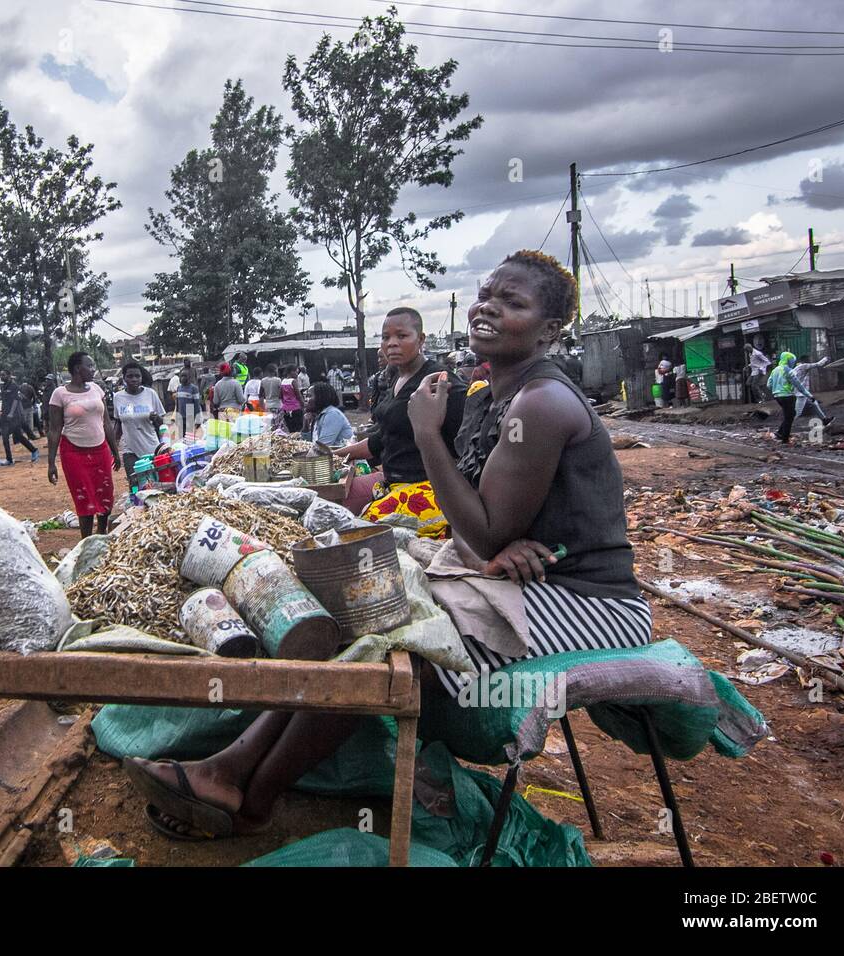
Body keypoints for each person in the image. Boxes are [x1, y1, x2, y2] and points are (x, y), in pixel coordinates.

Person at [120, 251, 650, 841]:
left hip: (591, 603)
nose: (489, 308)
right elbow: (476, 528)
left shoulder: (541, 404)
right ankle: (231, 769)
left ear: (552, 330)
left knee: (396, 640)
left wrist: (429, 439)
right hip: (516, 580)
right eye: (487, 294)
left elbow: (485, 528)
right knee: (364, 608)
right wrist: (488, 544)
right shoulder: (486, 396)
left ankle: (251, 796)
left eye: (514, 303)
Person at [335, 307, 466, 537]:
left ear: (421, 339)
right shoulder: (397, 377)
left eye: (402, 336)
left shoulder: (439, 381)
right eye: (386, 337)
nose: (391, 344)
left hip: (425, 491)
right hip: (392, 482)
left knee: (360, 536)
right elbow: (383, 439)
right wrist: (334, 455)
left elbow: (467, 438)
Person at [47, 352, 120, 538]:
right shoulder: (60, 394)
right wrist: (50, 463)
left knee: (105, 496)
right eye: (90, 365)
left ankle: (101, 534)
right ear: (78, 368)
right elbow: (55, 430)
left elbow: (106, 423)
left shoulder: (97, 389)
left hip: (100, 451)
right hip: (74, 453)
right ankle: (86, 542)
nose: (93, 369)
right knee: (84, 500)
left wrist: (115, 451)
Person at [113, 361, 166, 477]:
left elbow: (162, 423)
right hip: (130, 450)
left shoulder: (151, 394)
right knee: (135, 483)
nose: (134, 379)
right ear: (124, 378)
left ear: (141, 378)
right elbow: (118, 424)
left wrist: (156, 418)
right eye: (130, 376)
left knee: (155, 484)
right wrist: (114, 448)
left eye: (137, 376)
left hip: (152, 448)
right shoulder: (118, 397)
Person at [767, 351, 820, 443]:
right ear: (788, 360)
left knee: (789, 415)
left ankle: (780, 433)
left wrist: (777, 388)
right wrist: (809, 396)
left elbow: (769, 385)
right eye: (792, 360)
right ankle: (785, 439)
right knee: (789, 417)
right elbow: (799, 385)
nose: (793, 362)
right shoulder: (788, 371)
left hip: (777, 396)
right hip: (787, 396)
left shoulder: (775, 370)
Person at [0, 371, 39, 466]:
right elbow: (5, 401)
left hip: (14, 416)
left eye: (3, 375)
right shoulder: (3, 387)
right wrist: (2, 411)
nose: (1, 376)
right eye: (0, 375)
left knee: (19, 436)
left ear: (8, 375)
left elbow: (16, 400)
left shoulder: (13, 386)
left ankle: (34, 450)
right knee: (4, 438)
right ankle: (9, 459)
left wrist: (11, 413)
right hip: (5, 416)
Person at [307, 382, 354, 447]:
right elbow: (308, 443)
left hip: (344, 455)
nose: (306, 400)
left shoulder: (332, 414)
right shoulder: (319, 415)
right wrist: (305, 425)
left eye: (309, 396)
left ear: (320, 397)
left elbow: (322, 447)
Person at [791, 354, 832, 422]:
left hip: (801, 392)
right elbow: (818, 364)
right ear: (804, 360)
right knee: (797, 413)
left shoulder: (797, 367)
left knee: (814, 404)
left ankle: (824, 420)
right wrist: (826, 358)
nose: (810, 361)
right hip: (801, 394)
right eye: (808, 359)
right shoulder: (804, 366)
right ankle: (784, 427)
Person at [174, 368, 202, 438]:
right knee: (181, 437)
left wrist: (198, 419)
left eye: (184, 376)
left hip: (190, 416)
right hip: (180, 416)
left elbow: (197, 404)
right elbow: (177, 403)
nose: (183, 378)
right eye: (181, 376)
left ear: (189, 377)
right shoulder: (178, 388)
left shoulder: (194, 388)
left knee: (189, 437)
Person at [278, 365, 305, 433]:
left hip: (286, 409)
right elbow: (298, 395)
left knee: (290, 429)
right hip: (296, 408)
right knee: (298, 429)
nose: (297, 374)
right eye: (296, 372)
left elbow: (280, 396)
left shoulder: (283, 381)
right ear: (291, 372)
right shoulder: (293, 381)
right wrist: (303, 404)